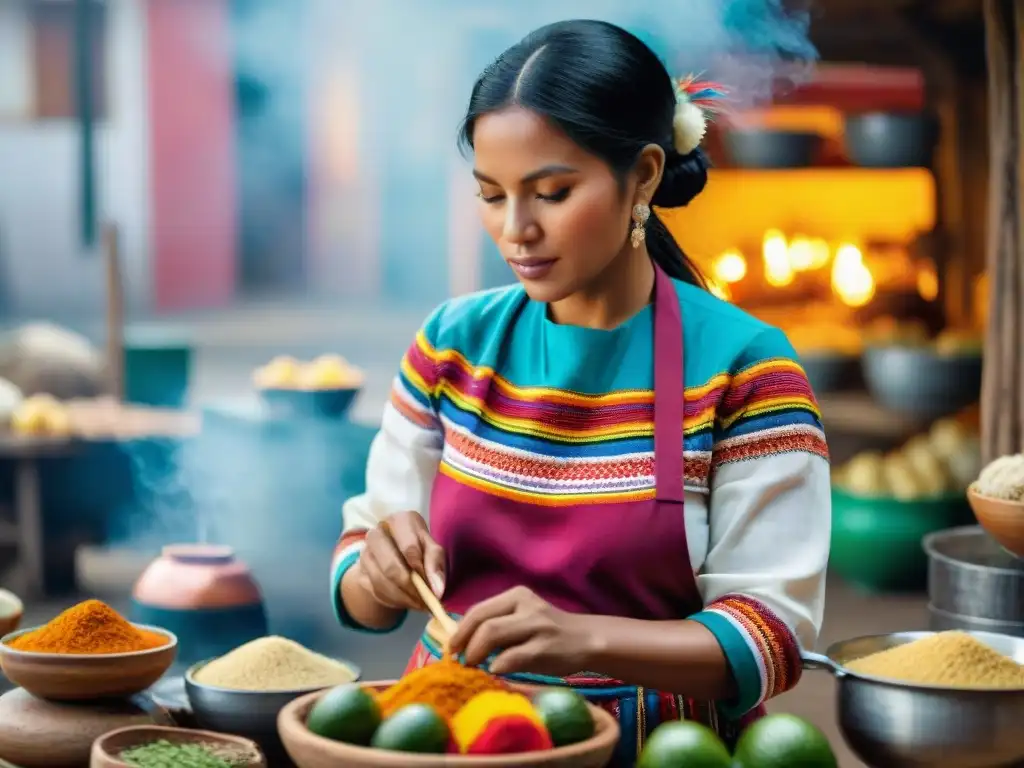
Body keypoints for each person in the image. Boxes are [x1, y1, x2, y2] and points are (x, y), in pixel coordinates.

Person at [331, 19, 830, 766]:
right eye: (492, 195)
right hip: (444, 736)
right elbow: (354, 579)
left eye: (552, 192)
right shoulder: (451, 346)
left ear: (647, 175)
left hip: (661, 751)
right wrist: (377, 569)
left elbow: (771, 635)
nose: (516, 230)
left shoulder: (746, 370)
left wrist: (583, 639)